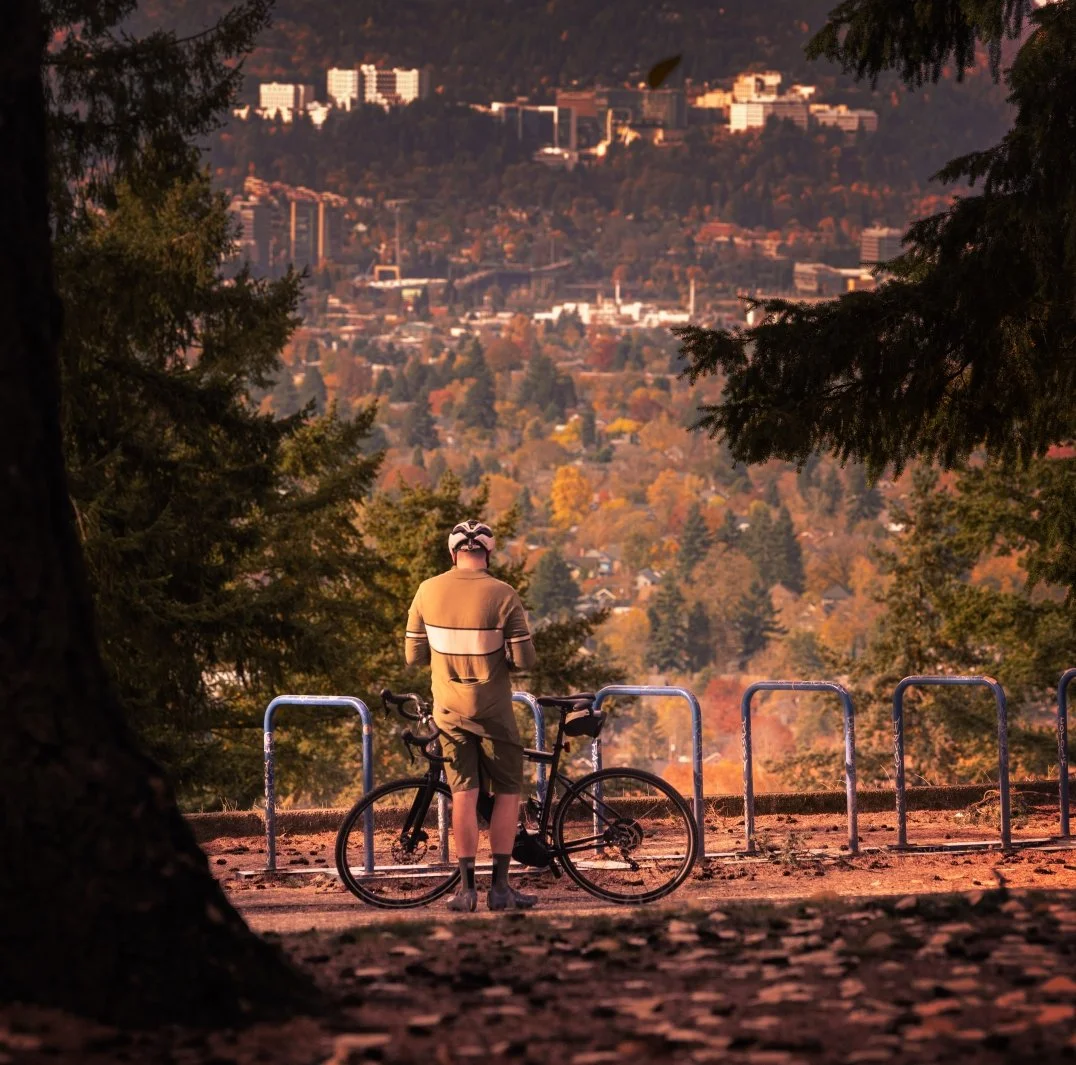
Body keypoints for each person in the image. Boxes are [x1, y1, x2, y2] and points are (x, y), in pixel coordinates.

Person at [405, 519, 539, 912]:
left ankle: (466, 892)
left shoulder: (427, 591)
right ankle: (500, 889)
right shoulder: (504, 595)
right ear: (488, 554)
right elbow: (524, 660)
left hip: (448, 710)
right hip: (494, 711)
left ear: (452, 554)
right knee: (508, 792)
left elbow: (413, 655)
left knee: (464, 794)